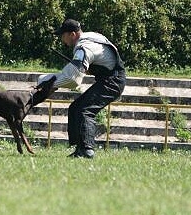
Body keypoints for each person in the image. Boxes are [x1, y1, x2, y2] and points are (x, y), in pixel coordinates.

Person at [37, 19, 126, 158]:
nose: (62, 40)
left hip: (113, 81)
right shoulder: (92, 36)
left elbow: (72, 80)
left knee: (85, 110)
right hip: (111, 77)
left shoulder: (83, 47)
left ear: (72, 34)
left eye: (63, 35)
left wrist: (50, 85)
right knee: (75, 108)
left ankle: (87, 150)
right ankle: (79, 148)